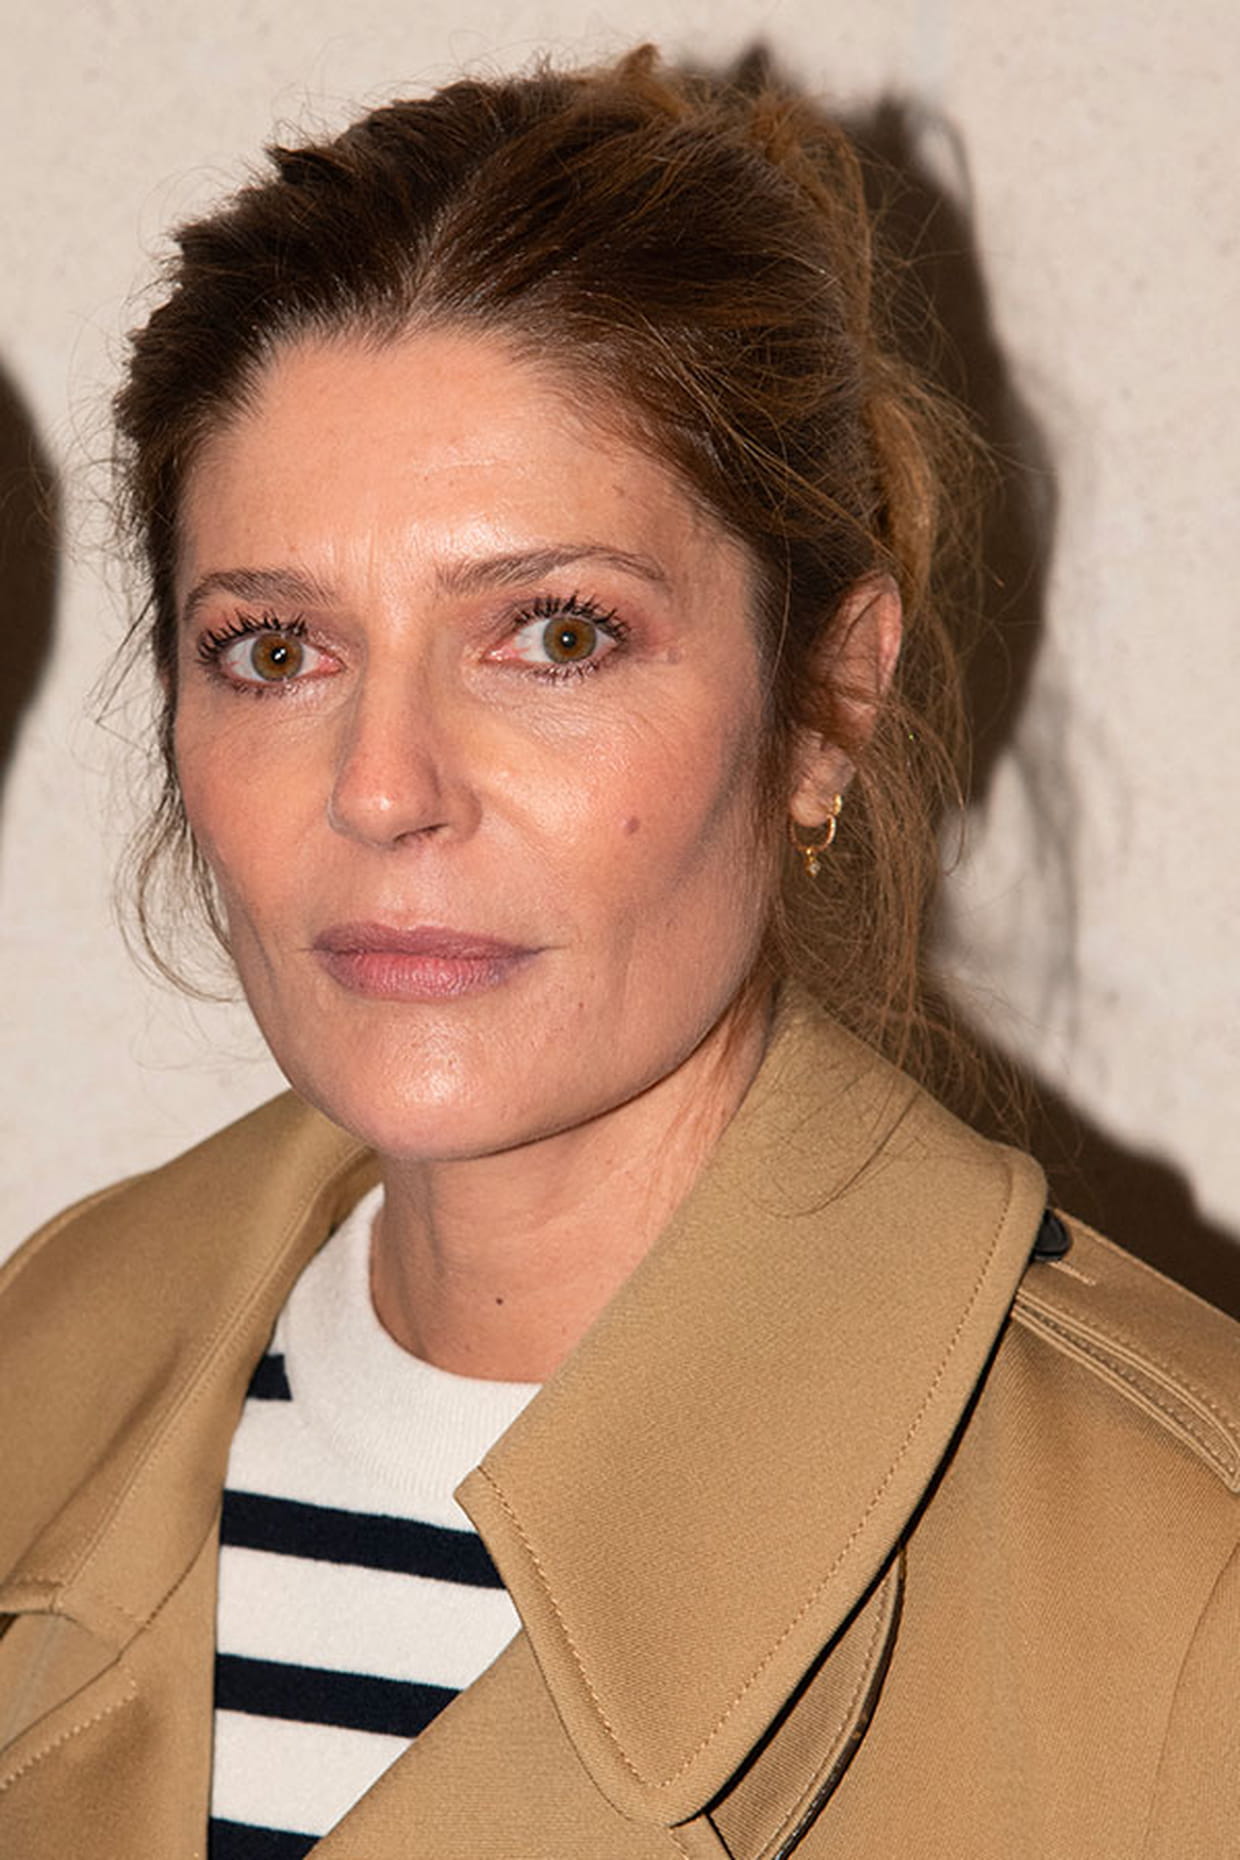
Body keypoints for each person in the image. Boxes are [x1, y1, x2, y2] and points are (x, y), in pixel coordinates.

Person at [0, 46, 1235, 1860]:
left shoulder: (1184, 1585)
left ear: (828, 702)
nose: (386, 789)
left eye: (556, 636)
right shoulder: (42, 1372)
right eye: (275, 650)